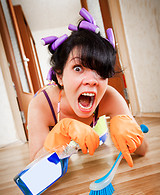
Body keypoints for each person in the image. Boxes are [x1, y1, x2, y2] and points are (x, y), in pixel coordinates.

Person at [28, 8, 148, 168]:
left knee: (98, 140)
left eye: (100, 71)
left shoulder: (110, 97)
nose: (92, 81)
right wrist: (61, 132)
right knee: (65, 153)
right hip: (54, 121)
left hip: (95, 128)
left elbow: (143, 150)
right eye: (78, 68)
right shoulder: (41, 105)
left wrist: (130, 129)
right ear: (60, 76)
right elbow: (35, 165)